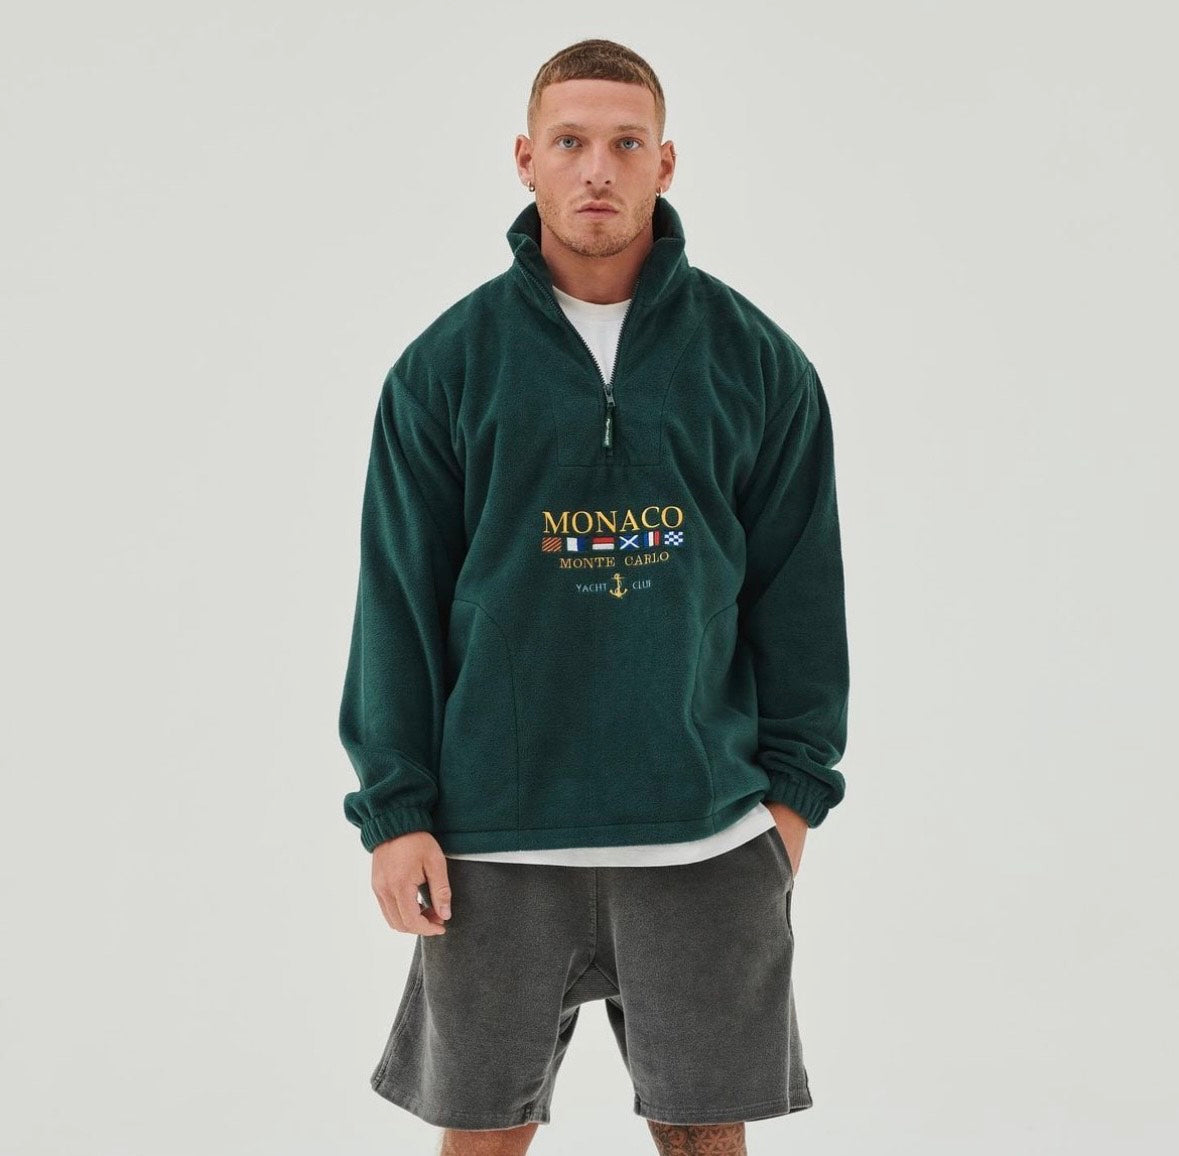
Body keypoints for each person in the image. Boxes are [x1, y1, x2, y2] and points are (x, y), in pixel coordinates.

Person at [338, 38, 850, 1156]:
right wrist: (396, 811)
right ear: (526, 159)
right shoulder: (446, 368)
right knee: (480, 1138)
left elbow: (801, 598)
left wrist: (791, 805)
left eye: (626, 143)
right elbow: (398, 603)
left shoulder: (756, 363)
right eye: (570, 141)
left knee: (707, 1139)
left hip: (706, 834)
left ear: (666, 162)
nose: (598, 169)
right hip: (493, 840)